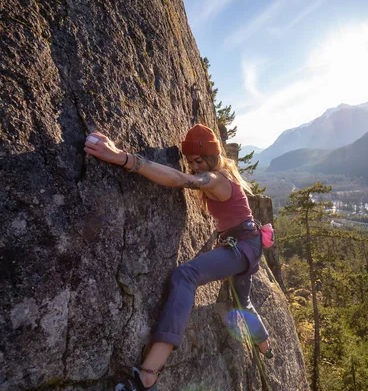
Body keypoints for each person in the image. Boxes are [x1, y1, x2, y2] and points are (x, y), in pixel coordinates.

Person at [83, 124, 272, 391]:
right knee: (245, 302)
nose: (194, 167)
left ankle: (148, 375)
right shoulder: (222, 176)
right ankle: (266, 347)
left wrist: (122, 157)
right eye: (191, 161)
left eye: (199, 160)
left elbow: (180, 179)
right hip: (247, 244)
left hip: (241, 247)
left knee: (186, 275)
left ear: (212, 157)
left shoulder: (215, 179)